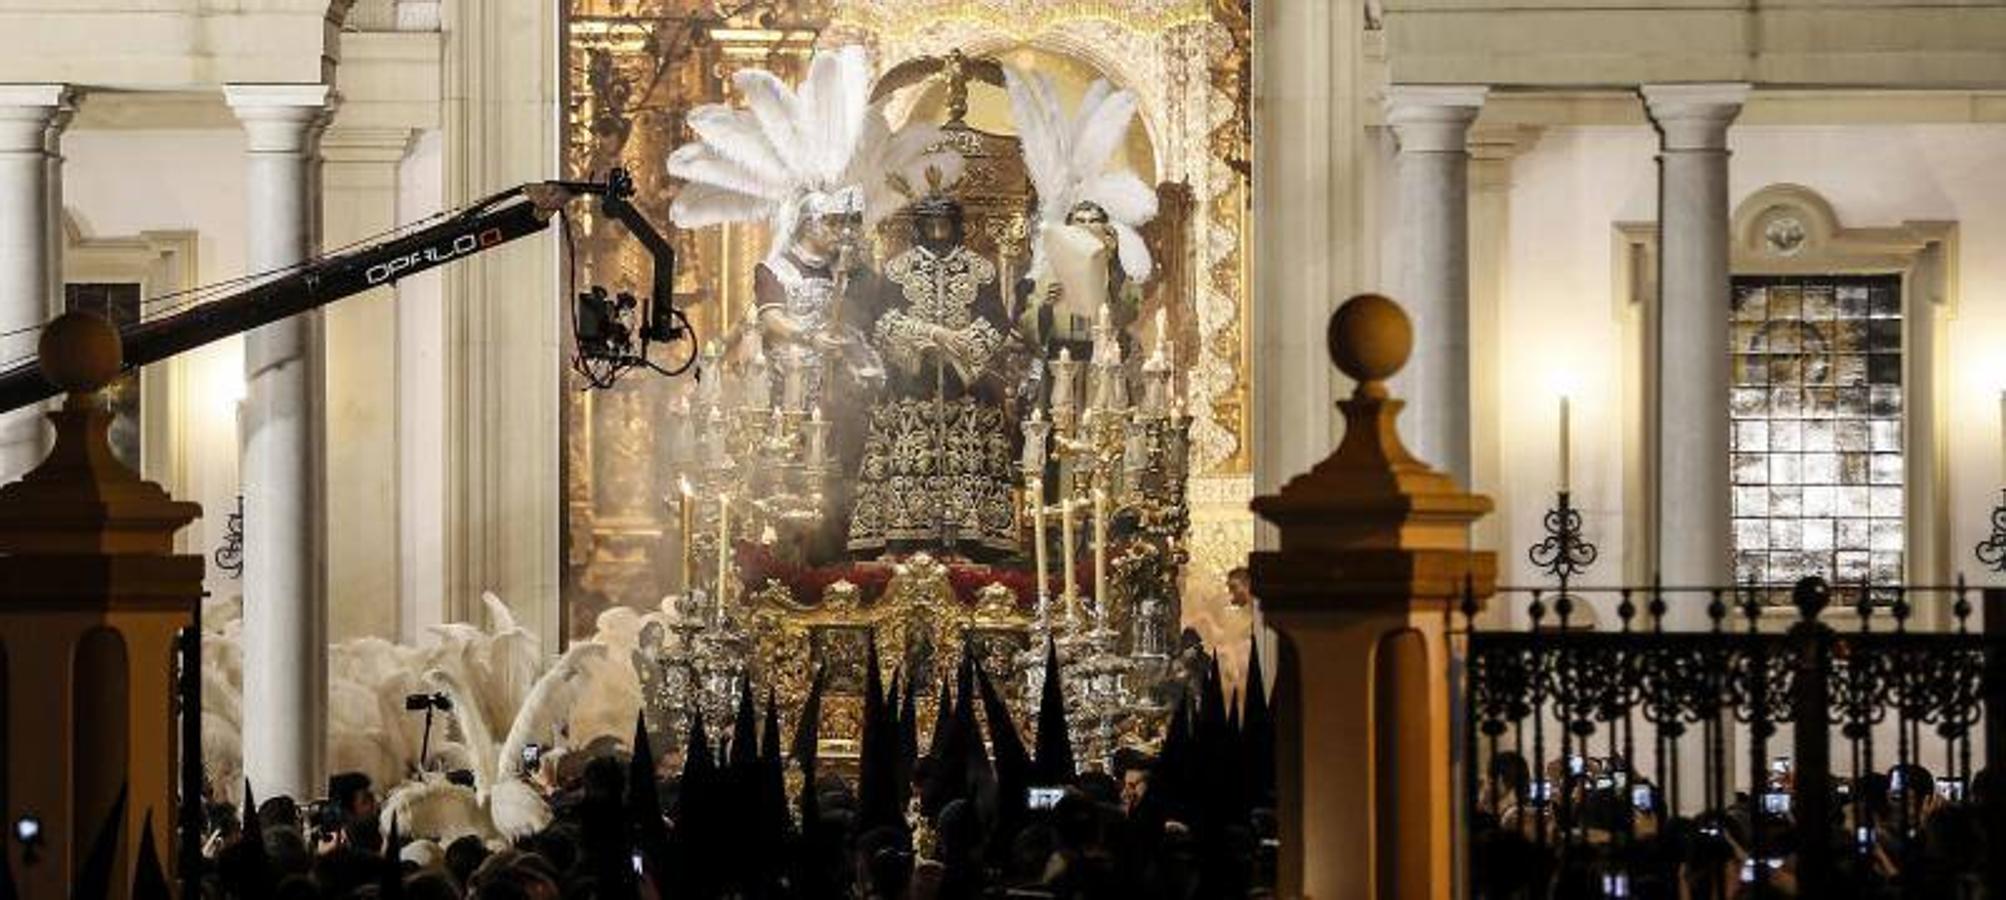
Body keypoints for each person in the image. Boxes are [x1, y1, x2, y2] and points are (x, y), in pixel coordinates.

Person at [847, 179, 1019, 559]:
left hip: (965, 387)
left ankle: (973, 540)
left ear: (957, 225)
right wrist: (924, 334)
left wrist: (961, 346)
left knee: (969, 457)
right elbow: (880, 322)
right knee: (908, 453)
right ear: (919, 226)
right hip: (913, 384)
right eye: (931, 224)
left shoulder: (981, 270)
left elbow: (996, 320)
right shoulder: (896, 270)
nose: (938, 231)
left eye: (944, 224)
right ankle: (906, 536)